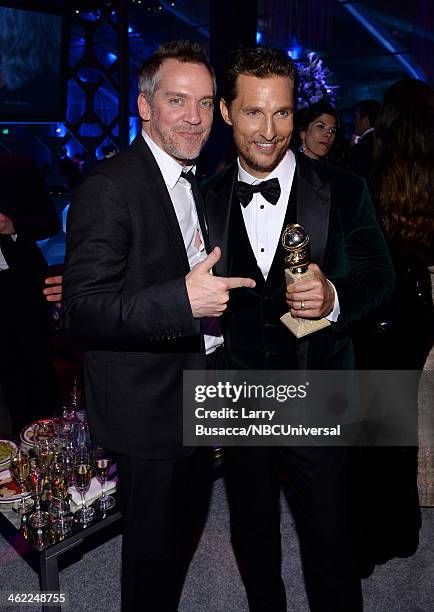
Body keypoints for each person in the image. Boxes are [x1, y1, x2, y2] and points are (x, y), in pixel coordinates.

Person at [62, 40, 254, 612]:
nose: (194, 117)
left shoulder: (201, 178)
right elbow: (83, 309)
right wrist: (181, 301)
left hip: (201, 386)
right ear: (145, 106)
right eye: (177, 100)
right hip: (148, 402)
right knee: (150, 552)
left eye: (204, 102)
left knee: (187, 524)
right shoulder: (109, 185)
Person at [204, 46, 394, 612]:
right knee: (252, 531)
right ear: (225, 112)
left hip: (321, 388)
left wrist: (335, 296)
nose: (269, 131)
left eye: (282, 113)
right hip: (237, 392)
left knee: (330, 537)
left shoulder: (343, 188)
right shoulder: (202, 198)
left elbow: (379, 277)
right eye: (254, 113)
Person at [351, 78, 434, 576]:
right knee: (396, 425)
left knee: (366, 434)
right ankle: (402, 532)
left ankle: (367, 542)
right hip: (419, 311)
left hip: (377, 307)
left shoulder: (368, 170)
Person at [0, 153, 59, 435]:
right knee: (9, 375)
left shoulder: (17, 165)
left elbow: (50, 222)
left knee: (36, 370)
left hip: (21, 285)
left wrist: (13, 226)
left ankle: (46, 442)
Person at [346, 99, 381, 179]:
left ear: (366, 120)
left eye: (356, 118)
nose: (354, 121)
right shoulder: (383, 141)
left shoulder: (362, 147)